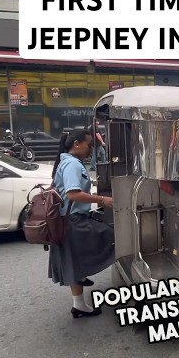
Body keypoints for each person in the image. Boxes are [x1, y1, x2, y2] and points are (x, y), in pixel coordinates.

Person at [49, 129, 115, 318]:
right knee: (113, 238)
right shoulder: (72, 164)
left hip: (67, 220)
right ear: (76, 144)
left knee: (73, 261)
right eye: (89, 145)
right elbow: (73, 194)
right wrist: (102, 199)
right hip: (73, 222)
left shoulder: (67, 161)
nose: (91, 150)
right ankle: (84, 275)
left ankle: (79, 304)